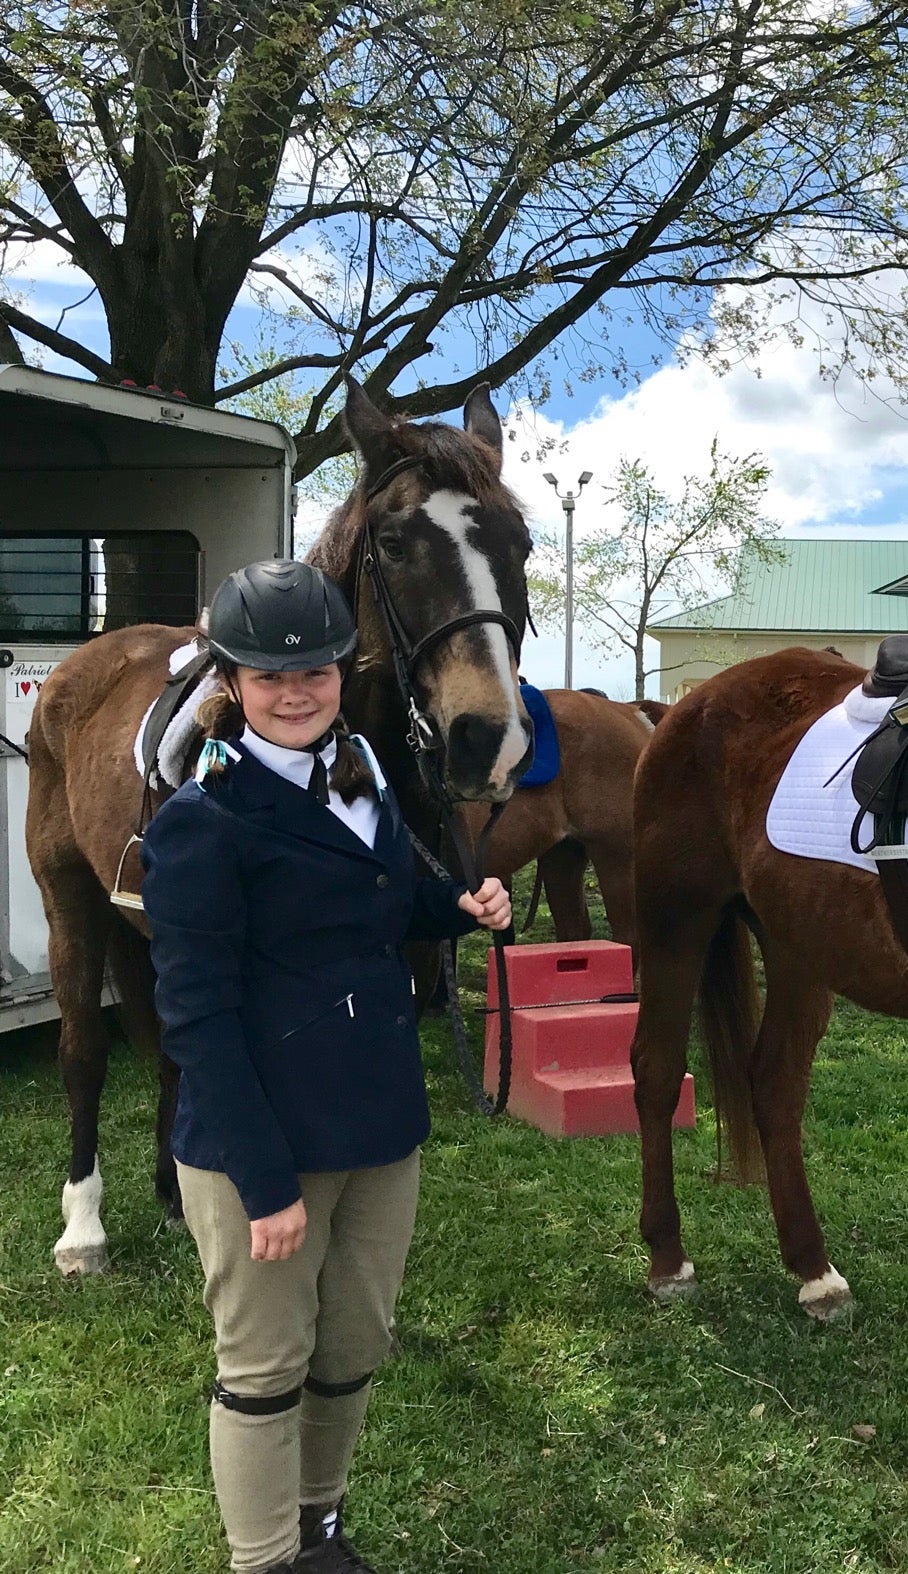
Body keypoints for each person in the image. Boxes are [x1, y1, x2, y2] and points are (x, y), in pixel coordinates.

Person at [142, 560, 512, 1574]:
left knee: (350, 1348)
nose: (297, 688)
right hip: (264, 1141)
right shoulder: (202, 819)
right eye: (270, 674)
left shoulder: (362, 770)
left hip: (378, 1121)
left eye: (316, 667)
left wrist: (454, 909)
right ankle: (263, 1558)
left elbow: (374, 907)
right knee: (265, 1368)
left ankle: (320, 1525)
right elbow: (198, 1018)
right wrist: (263, 1186)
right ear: (231, 680)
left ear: (344, 670)